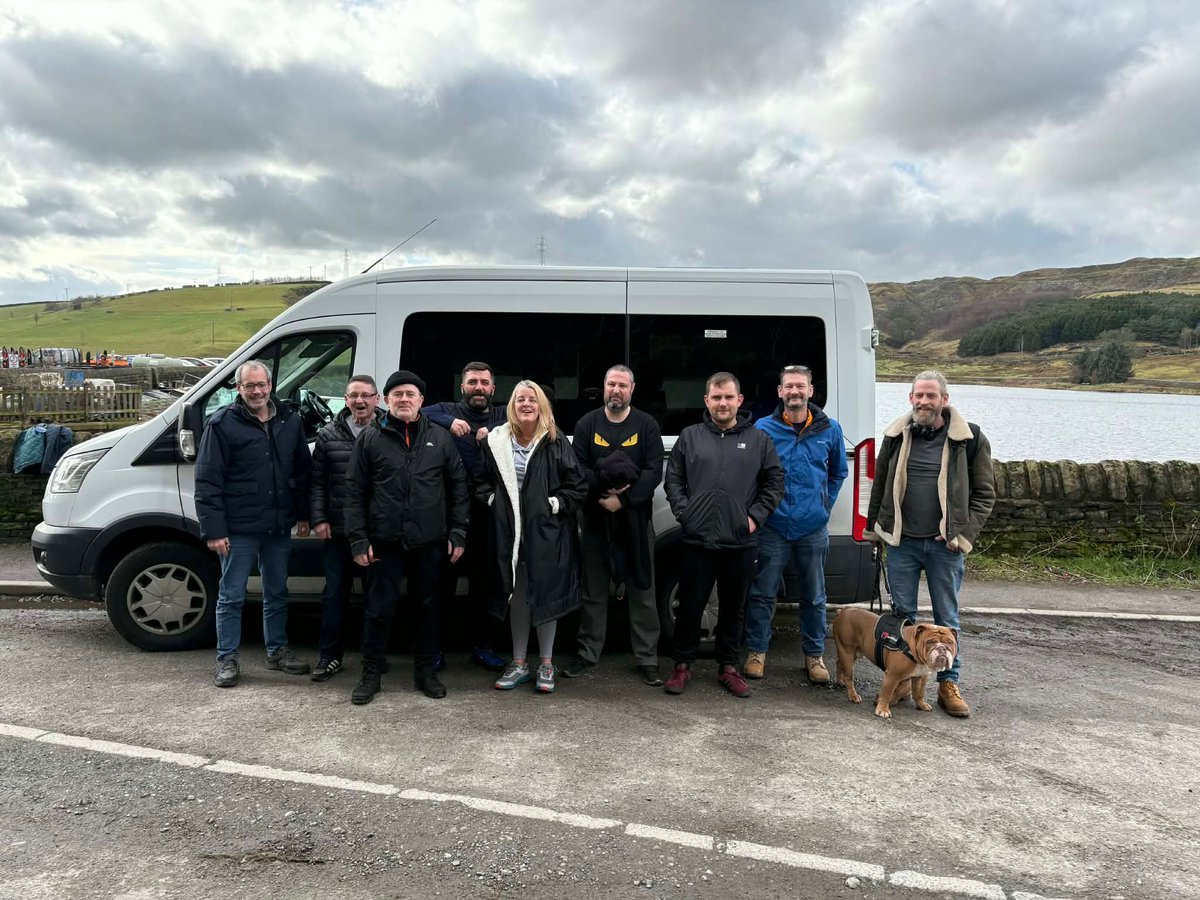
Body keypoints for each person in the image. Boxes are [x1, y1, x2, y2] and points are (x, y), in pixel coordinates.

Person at [866, 370, 995, 718]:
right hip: (903, 543)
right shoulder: (896, 434)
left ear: (944, 400)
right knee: (903, 619)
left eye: (931, 396)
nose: (924, 402)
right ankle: (905, 681)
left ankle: (948, 685)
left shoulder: (969, 439)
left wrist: (963, 535)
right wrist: (874, 530)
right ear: (910, 398)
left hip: (945, 548)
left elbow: (985, 495)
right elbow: (880, 486)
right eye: (918, 396)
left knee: (947, 618)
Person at [343, 370, 469, 704]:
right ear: (385, 400)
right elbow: (354, 492)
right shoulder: (370, 438)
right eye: (396, 394)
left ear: (421, 401)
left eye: (410, 394)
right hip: (384, 541)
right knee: (378, 609)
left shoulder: (440, 438)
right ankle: (371, 672)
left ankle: (426, 671)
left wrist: (458, 530)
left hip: (429, 541)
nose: (403, 399)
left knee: (428, 608)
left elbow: (458, 487)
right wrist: (358, 539)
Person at [663, 372, 784, 698]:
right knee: (690, 604)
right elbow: (673, 479)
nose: (722, 403)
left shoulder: (759, 440)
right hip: (697, 539)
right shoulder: (690, 436)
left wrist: (755, 519)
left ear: (739, 400)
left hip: (740, 541)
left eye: (728, 397)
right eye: (716, 397)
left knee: (734, 607)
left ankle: (728, 667)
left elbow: (774, 482)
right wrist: (685, 513)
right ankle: (682, 666)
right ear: (707, 400)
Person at [195, 360, 312, 688]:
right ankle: (227, 659)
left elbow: (302, 472)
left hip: (278, 525)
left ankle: (277, 651)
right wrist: (214, 530)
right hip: (238, 529)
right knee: (231, 595)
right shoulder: (221, 425)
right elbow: (207, 481)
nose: (257, 391)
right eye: (249, 386)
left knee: (277, 592)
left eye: (261, 385)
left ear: (271, 385)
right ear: (238, 388)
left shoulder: (290, 420)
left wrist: (303, 515)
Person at [477, 380, 587, 694]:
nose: (526, 404)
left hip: (547, 534)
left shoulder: (556, 441)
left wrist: (556, 504)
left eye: (533, 399)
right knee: (519, 597)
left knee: (546, 597)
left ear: (542, 406)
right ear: (512, 405)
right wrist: (491, 501)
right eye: (520, 399)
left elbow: (577, 486)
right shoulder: (496, 442)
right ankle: (520, 662)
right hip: (510, 534)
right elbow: (478, 481)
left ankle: (547, 663)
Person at [743, 364, 848, 684]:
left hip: (812, 528)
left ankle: (814, 656)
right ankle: (757, 652)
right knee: (762, 593)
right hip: (773, 526)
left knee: (815, 596)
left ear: (810, 391)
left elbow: (838, 473)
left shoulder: (829, 429)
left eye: (800, 386)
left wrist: (824, 504)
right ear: (780, 392)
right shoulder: (763, 428)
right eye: (789, 386)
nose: (794, 392)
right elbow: (752, 474)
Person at [562, 365, 665, 686]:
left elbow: (653, 471)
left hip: (635, 521)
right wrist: (601, 492)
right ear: (604, 388)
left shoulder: (646, 425)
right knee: (593, 591)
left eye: (622, 385)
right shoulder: (587, 424)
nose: (616, 390)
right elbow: (577, 468)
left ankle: (647, 658)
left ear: (632, 389)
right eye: (611, 384)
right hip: (595, 520)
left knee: (643, 591)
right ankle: (588, 653)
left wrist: (625, 499)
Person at [421, 361, 508, 672]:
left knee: (485, 586)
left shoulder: (502, 415)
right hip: (451, 513)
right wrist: (448, 422)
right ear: (462, 386)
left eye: (484, 383)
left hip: (489, 512)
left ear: (493, 389)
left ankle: (482, 646)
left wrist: (496, 431)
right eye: (473, 382)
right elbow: (421, 411)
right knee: (442, 585)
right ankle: (435, 650)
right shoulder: (446, 409)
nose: (479, 388)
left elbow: (530, 419)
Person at [308, 374, 384, 681]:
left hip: (377, 532)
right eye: (354, 395)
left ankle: (373, 658)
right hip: (338, 530)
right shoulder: (329, 434)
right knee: (334, 595)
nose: (360, 401)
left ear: (377, 399)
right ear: (345, 399)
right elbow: (316, 482)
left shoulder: (389, 430)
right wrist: (319, 518)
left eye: (366, 395)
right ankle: (329, 657)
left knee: (375, 599)